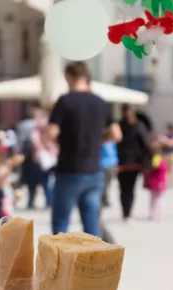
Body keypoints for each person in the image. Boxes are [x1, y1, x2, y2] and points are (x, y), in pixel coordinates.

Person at [47, 62, 122, 236]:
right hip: (94, 170)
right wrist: (99, 141)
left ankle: (59, 255)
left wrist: (62, 142)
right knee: (91, 224)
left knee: (60, 224)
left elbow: (50, 133)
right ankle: (94, 254)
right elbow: (117, 134)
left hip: (69, 169)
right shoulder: (101, 102)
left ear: (68, 77)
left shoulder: (65, 101)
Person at [116, 104, 151, 222]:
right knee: (123, 188)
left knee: (130, 188)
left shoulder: (138, 126)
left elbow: (145, 145)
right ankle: (125, 211)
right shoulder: (120, 125)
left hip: (134, 162)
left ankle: (128, 212)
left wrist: (146, 163)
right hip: (121, 162)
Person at [25, 107, 57, 209]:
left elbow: (34, 140)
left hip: (39, 157)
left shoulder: (38, 125)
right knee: (48, 181)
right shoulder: (52, 124)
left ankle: (31, 201)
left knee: (34, 182)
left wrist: (40, 149)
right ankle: (49, 202)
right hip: (51, 157)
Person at [145, 139, 169, 221]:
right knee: (159, 199)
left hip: (153, 181)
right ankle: (159, 215)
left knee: (153, 198)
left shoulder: (151, 158)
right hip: (159, 181)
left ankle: (152, 214)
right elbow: (161, 168)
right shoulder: (158, 158)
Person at [100, 140, 118, 208]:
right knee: (105, 185)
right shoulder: (109, 141)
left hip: (108, 165)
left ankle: (104, 199)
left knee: (106, 185)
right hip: (106, 165)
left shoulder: (110, 142)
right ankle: (103, 199)